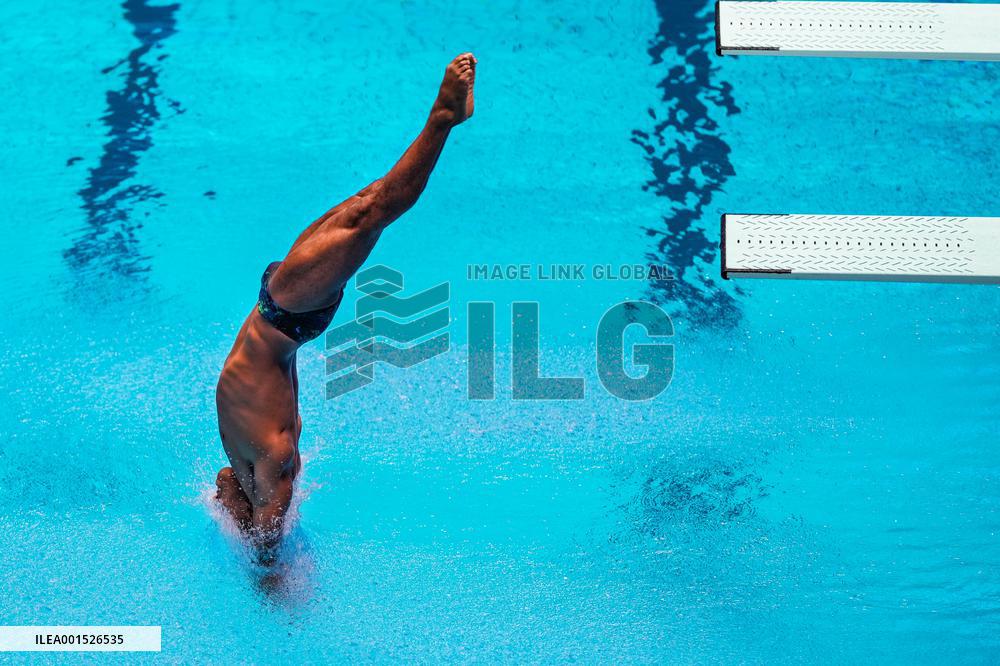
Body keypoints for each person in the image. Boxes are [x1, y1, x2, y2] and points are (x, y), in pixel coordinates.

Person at [215, 53, 476, 561]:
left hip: (282, 318)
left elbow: (233, 494)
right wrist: (269, 569)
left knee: (368, 203)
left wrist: (239, 517)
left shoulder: (252, 469)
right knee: (372, 212)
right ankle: (444, 118)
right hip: (283, 316)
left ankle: (444, 118)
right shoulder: (273, 468)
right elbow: (263, 531)